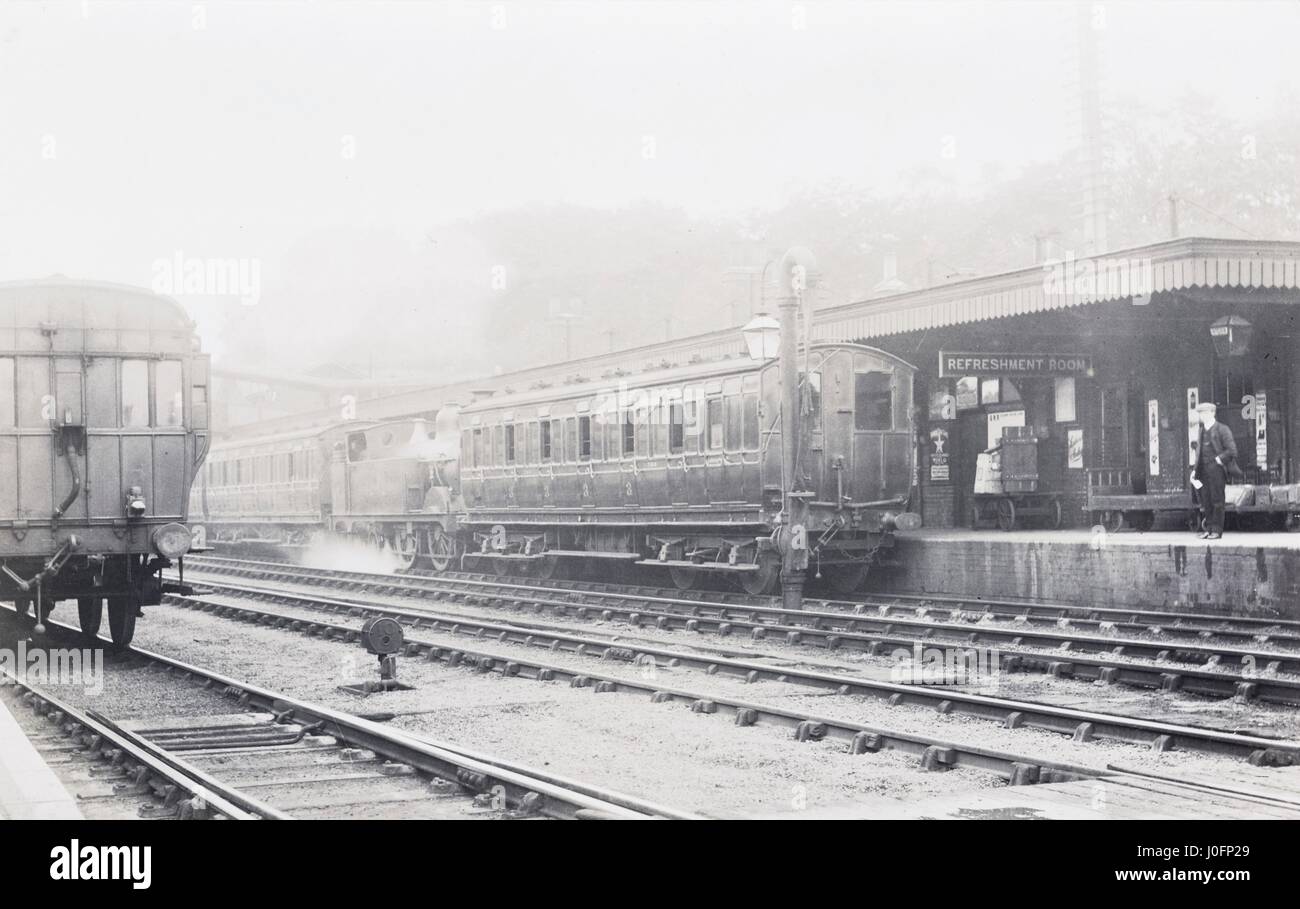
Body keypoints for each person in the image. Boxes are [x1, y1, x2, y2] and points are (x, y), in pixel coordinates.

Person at [1192, 402, 1240, 539]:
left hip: (1217, 471)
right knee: (1206, 501)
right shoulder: (1201, 430)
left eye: (1205, 412)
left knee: (1217, 500)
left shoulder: (1222, 429)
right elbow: (1199, 453)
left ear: (1213, 413)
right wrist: (1195, 470)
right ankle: (1208, 529)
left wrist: (1220, 459)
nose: (1202, 415)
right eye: (1201, 413)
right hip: (1203, 471)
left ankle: (1217, 531)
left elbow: (1232, 451)